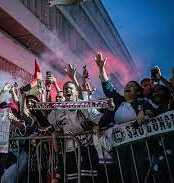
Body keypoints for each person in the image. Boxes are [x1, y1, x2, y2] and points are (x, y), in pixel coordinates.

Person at [95, 52, 158, 183]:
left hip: (139, 145)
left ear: (138, 92)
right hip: (121, 146)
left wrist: (143, 112)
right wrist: (101, 69)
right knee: (124, 176)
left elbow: (153, 113)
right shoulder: (119, 101)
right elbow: (109, 89)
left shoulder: (142, 102)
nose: (128, 87)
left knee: (139, 175)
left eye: (132, 86)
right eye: (127, 86)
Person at [47, 81, 115, 183]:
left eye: (70, 88)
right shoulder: (58, 109)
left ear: (76, 93)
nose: (67, 90)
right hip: (69, 151)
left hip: (87, 149)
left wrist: (110, 110)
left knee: (87, 180)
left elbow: (102, 121)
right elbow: (47, 123)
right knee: (73, 180)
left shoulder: (85, 106)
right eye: (65, 88)